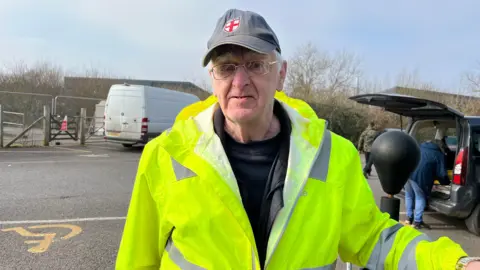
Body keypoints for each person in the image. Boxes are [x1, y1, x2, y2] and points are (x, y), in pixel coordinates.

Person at [115, 8, 480, 270]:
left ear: (281, 74)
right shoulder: (166, 154)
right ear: (213, 78)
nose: (239, 82)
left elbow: (371, 237)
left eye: (256, 65)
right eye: (226, 68)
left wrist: (455, 263)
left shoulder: (333, 155)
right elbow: (137, 258)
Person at [404, 138, 451, 229]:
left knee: (409, 195)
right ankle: (417, 221)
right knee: (420, 197)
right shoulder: (438, 154)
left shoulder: (417, 148)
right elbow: (441, 173)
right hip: (419, 177)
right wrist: (446, 182)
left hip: (407, 174)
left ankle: (409, 218)